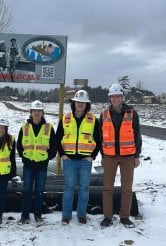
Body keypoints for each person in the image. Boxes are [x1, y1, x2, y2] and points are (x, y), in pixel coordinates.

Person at [99, 83, 142, 228]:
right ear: (110, 98)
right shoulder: (103, 114)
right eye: (113, 97)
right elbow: (100, 138)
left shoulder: (132, 113)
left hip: (128, 157)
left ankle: (124, 216)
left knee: (127, 189)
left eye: (118, 96)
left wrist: (137, 156)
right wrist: (103, 155)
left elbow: (137, 136)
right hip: (109, 157)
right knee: (107, 188)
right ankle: (107, 217)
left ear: (122, 97)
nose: (116, 99)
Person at [56, 90, 101, 225]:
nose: (80, 104)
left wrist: (92, 156)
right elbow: (57, 138)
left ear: (86, 104)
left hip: (84, 161)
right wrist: (62, 154)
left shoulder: (92, 120)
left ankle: (81, 214)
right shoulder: (65, 118)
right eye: (78, 102)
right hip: (69, 161)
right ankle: (66, 215)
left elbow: (98, 140)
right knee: (68, 187)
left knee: (84, 188)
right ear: (74, 103)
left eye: (83, 102)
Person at [17, 100, 57, 224]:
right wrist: (24, 158)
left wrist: (48, 157)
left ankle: (38, 215)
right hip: (28, 165)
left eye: (39, 111)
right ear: (31, 112)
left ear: (42, 113)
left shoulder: (48, 127)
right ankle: (25, 215)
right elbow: (19, 145)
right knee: (27, 191)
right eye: (35, 111)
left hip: (41, 165)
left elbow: (54, 146)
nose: (37, 113)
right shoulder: (25, 127)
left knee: (40, 191)